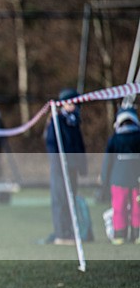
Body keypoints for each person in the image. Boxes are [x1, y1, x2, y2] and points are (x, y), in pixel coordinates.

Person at [41, 88, 87, 245]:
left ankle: (69, 231)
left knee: (70, 199)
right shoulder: (56, 120)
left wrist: (82, 165)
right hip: (60, 168)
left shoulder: (74, 122)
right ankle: (62, 234)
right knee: (60, 199)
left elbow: (79, 145)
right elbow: (52, 145)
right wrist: (60, 163)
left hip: (72, 167)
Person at [99, 107, 140, 244]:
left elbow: (108, 162)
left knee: (119, 207)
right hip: (137, 180)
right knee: (137, 207)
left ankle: (120, 234)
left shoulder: (115, 139)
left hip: (118, 181)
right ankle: (137, 234)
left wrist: (104, 180)